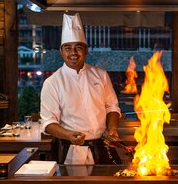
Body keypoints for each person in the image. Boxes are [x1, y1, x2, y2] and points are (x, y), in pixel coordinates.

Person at [40, 13, 122, 164]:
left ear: (86, 50)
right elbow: (48, 123)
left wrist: (112, 129)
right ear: (61, 51)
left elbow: (112, 107)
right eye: (68, 48)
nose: (73, 53)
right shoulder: (52, 82)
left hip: (103, 146)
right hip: (71, 150)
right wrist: (67, 134)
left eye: (78, 47)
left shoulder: (101, 75)